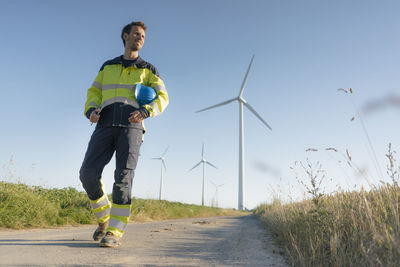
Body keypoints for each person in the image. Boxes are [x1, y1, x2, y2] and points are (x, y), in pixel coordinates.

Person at [79, 21, 169, 248]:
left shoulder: (149, 69)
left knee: (123, 179)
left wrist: (146, 111)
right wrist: (91, 110)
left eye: (143, 37)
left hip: (132, 126)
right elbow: (94, 92)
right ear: (125, 36)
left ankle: (115, 232)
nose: (140, 38)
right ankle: (104, 218)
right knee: (87, 173)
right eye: (136, 34)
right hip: (105, 122)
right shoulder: (107, 66)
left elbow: (163, 97)